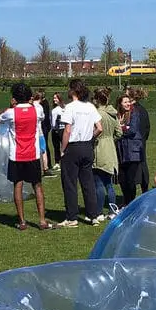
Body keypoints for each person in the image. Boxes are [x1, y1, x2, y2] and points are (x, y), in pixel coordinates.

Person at [0, 82, 53, 231]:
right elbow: (42, 116)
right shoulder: (37, 110)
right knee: (37, 185)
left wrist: (12, 106)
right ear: (29, 96)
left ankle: (22, 221)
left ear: (14, 97)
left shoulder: (11, 113)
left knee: (18, 185)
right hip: (33, 154)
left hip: (16, 155)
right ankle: (42, 220)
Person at [59, 79, 103, 227]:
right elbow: (99, 128)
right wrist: (90, 138)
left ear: (73, 91)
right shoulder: (90, 106)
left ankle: (72, 217)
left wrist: (62, 149)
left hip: (73, 146)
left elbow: (67, 130)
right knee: (88, 182)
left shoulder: (70, 107)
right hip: (86, 146)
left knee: (70, 183)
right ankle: (93, 215)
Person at [93, 87, 122, 218]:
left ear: (97, 99)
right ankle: (112, 211)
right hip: (111, 148)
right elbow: (119, 132)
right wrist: (110, 139)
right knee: (109, 184)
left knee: (98, 183)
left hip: (99, 148)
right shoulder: (112, 113)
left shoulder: (97, 114)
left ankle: (99, 212)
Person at [127, 87, 152, 193]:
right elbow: (147, 127)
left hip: (133, 141)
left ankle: (131, 193)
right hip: (142, 140)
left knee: (132, 168)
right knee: (142, 164)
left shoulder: (131, 110)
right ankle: (145, 190)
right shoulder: (143, 110)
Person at [49, 93, 65, 170]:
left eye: (56, 98)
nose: (54, 99)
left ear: (60, 98)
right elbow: (52, 122)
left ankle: (64, 161)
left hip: (62, 130)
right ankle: (57, 162)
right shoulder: (54, 110)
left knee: (64, 146)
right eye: (54, 98)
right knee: (56, 147)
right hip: (55, 130)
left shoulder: (65, 108)